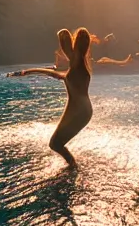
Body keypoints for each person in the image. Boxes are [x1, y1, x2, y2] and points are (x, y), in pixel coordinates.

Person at [7, 28, 94, 167]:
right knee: (56, 143)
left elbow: (64, 39)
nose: (63, 51)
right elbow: (57, 75)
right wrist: (27, 72)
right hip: (80, 110)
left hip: (80, 112)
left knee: (55, 143)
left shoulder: (78, 65)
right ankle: (72, 166)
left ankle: (73, 167)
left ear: (75, 46)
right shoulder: (78, 66)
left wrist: (64, 36)